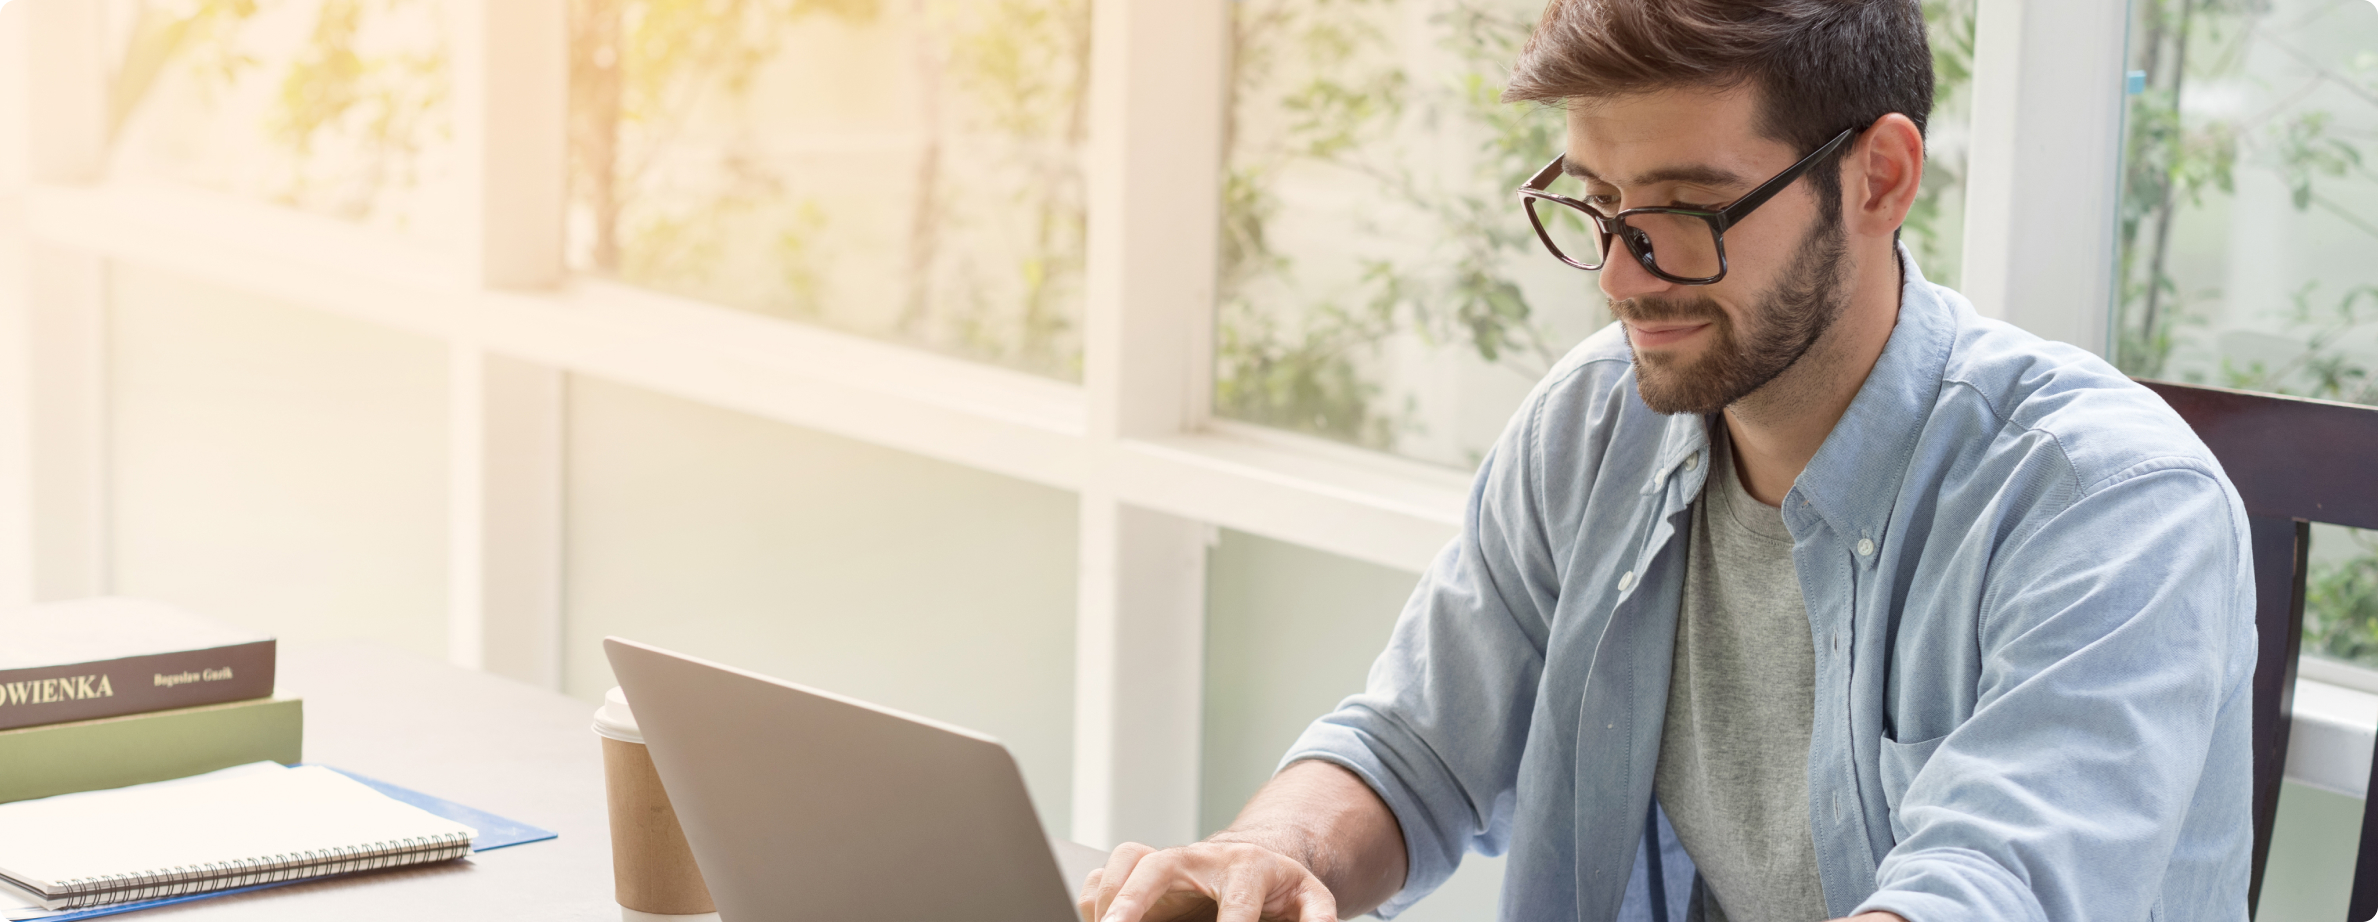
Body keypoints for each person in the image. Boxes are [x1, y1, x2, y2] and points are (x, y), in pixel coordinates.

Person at [1077, 0, 2257, 920]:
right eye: (1597, 203)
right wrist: (1269, 855)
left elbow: (1987, 892)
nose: (1620, 275)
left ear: (1877, 179)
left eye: (1686, 211)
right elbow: (1413, 746)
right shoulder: (1596, 422)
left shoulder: (2105, 502)